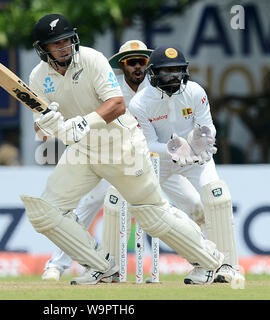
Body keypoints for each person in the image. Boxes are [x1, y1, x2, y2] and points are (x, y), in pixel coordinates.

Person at [21, 14, 224, 285]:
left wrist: (84, 121)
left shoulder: (92, 60)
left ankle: (210, 262)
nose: (63, 47)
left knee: (152, 214)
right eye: (55, 44)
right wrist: (50, 125)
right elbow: (42, 131)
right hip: (83, 151)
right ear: (43, 49)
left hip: (121, 147)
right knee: (45, 212)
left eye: (66, 41)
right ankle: (102, 266)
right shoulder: (38, 77)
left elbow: (116, 104)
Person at [41, 40, 153, 281]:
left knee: (178, 207)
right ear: (121, 66)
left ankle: (211, 263)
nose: (137, 67)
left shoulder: (155, 90)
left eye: (141, 61)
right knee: (88, 204)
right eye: (130, 62)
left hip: (150, 157)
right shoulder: (111, 88)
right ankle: (57, 264)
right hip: (111, 154)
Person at [128, 45, 240, 283]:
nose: (174, 76)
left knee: (215, 200)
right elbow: (148, 144)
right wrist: (175, 150)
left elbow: (208, 127)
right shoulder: (140, 103)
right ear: (154, 73)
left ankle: (228, 266)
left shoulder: (195, 91)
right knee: (138, 206)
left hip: (196, 158)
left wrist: (200, 143)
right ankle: (111, 269)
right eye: (167, 71)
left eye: (178, 70)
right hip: (161, 162)